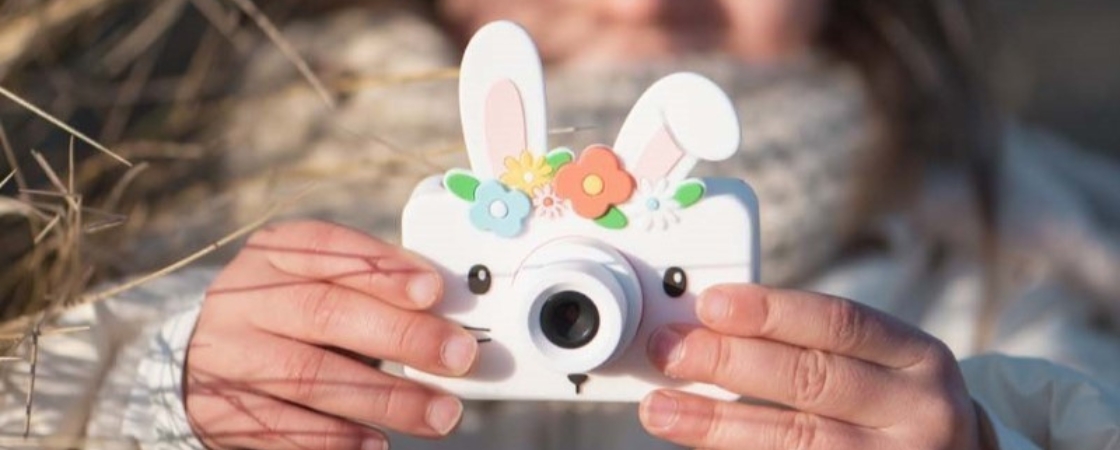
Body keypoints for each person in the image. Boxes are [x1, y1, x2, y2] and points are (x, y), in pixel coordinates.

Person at [2, 1, 1120, 449]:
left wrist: (980, 443)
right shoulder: (225, 210)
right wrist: (164, 398)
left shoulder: (991, 260)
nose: (642, 4)